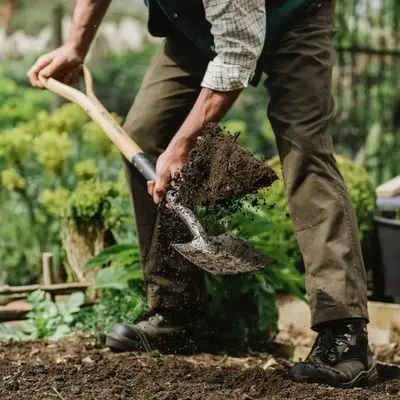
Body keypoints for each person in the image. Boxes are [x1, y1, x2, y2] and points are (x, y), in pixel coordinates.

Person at [28, 0, 377, 387]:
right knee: (144, 134)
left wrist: (183, 145)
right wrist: (76, 46)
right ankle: (178, 312)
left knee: (303, 149)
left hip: (293, 12)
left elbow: (239, 52)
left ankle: (344, 335)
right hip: (199, 25)